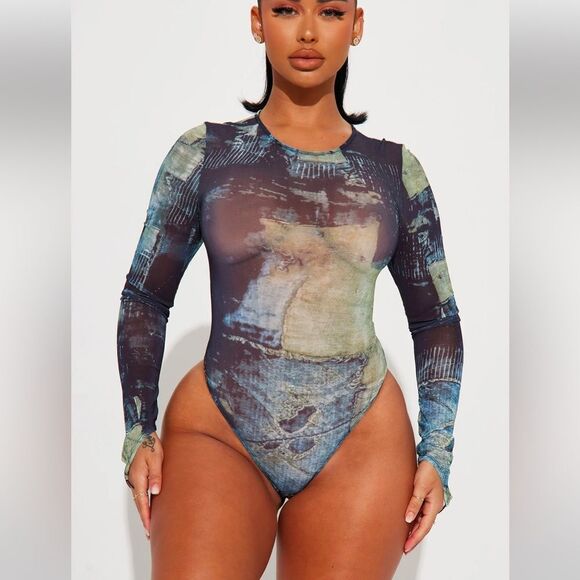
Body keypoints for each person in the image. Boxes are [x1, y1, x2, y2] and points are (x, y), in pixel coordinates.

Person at [116, 1, 464, 577]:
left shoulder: (396, 172)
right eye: (284, 9)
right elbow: (145, 298)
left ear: (356, 25)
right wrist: (138, 429)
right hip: (219, 430)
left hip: (360, 440)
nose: (306, 31)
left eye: (329, 12)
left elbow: (436, 321)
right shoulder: (205, 155)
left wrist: (438, 453)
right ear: (257, 21)